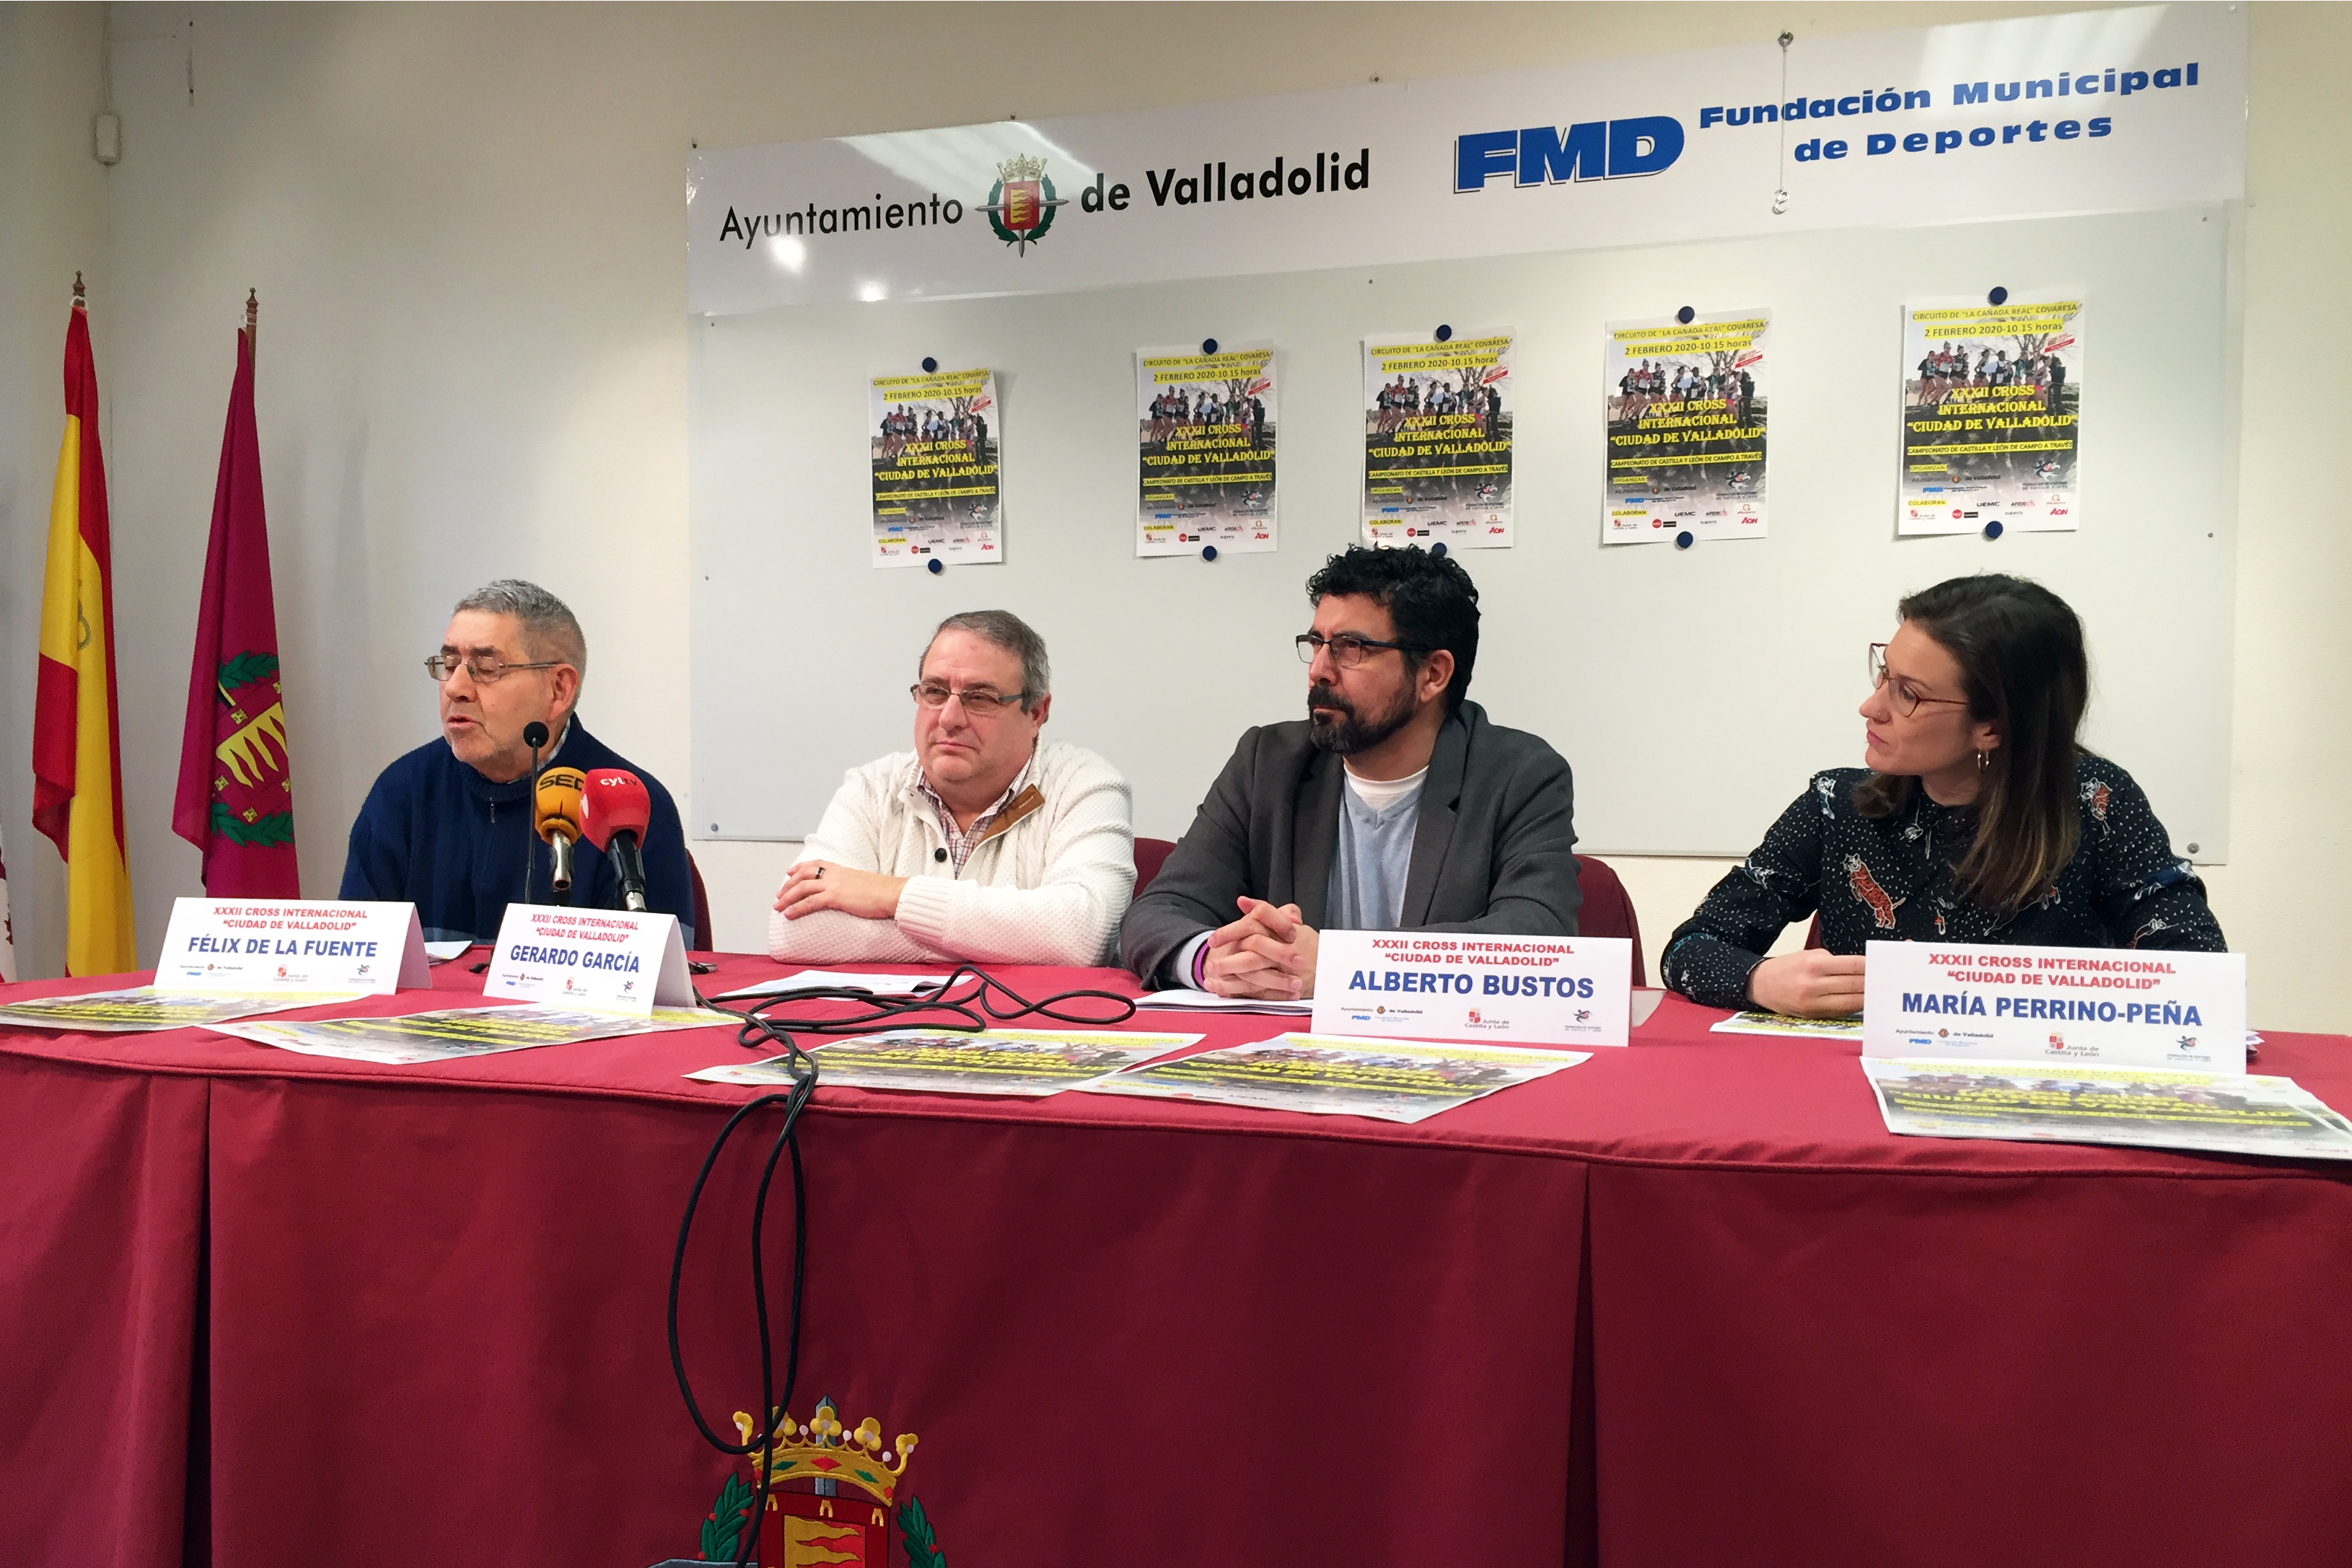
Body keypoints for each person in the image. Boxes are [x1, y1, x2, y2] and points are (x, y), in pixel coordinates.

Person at [1660, 573, 2225, 1017]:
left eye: (1908, 693)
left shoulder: (2096, 803)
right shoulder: (1837, 803)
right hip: (1856, 1088)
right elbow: (1690, 947)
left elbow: (2198, 975)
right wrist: (1758, 980)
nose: (1871, 707)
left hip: (2028, 1096)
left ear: (1993, 727)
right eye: (1884, 674)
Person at [1120, 546, 1580, 999]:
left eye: (1350, 648)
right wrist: (1213, 961)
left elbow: (1538, 935)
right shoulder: (1269, 762)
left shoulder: (1519, 776)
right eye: (1316, 644)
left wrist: (1343, 965)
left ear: (1433, 675)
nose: (1319, 671)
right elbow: (1159, 910)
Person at [341, 578, 696, 946]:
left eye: (486, 668)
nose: (455, 688)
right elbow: (353, 961)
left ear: (559, 689)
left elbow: (658, 971)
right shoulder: (404, 791)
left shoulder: (627, 807)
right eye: (448, 664)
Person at [770, 609, 1133, 965]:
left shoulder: (1085, 784)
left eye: (980, 698)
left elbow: (1084, 936)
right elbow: (792, 930)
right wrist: (1000, 943)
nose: (949, 718)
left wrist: (892, 894)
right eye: (934, 692)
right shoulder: (872, 787)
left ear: (1036, 713)